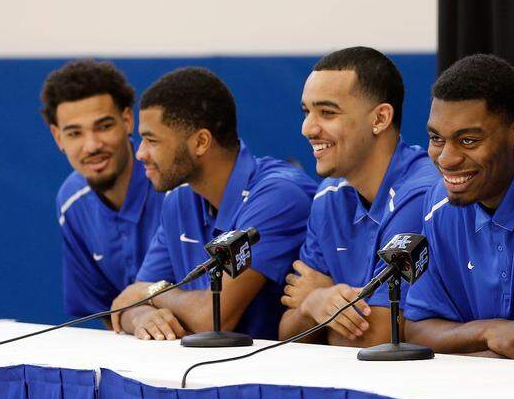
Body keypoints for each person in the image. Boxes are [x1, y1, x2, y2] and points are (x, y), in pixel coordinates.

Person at [110, 67, 316, 341]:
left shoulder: (279, 196)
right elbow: (126, 303)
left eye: (152, 140)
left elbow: (214, 317)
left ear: (201, 142)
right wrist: (143, 316)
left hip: (282, 366)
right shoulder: (179, 199)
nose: (140, 153)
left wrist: (153, 293)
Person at [402, 54, 514, 361]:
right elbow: (417, 328)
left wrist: (466, 354)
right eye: (436, 138)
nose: (446, 159)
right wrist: (488, 331)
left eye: (468, 141)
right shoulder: (440, 202)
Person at [278, 47, 438, 345]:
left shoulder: (422, 194)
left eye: (327, 113)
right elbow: (288, 334)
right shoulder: (328, 196)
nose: (307, 128)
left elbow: (381, 339)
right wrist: (315, 300)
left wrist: (319, 305)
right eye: (306, 112)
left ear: (380, 118)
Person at [41, 60, 164, 321]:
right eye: (74, 133)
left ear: (127, 120)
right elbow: (103, 312)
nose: (92, 145)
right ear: (58, 137)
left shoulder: (174, 185)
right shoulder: (71, 200)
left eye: (104, 126)